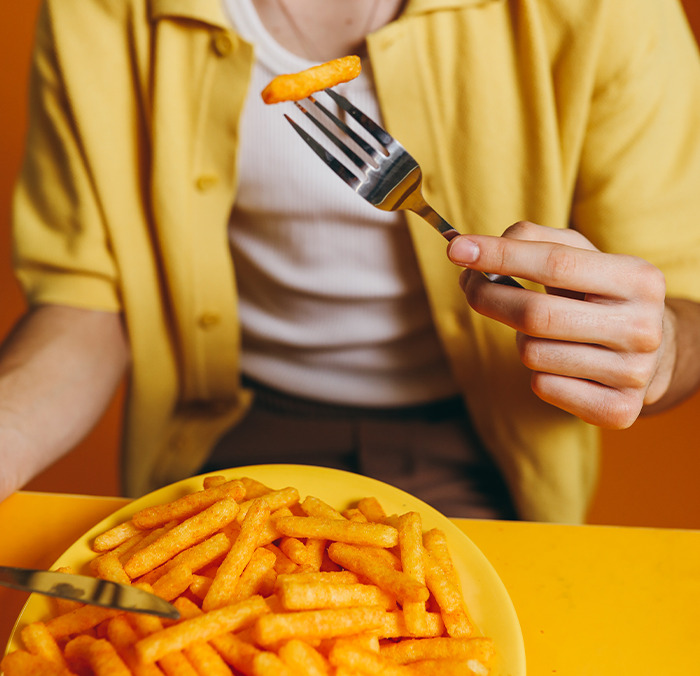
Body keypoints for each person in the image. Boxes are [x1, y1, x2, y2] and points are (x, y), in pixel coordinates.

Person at [2, 0, 700, 522]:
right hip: (227, 434)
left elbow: (686, 308)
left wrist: (658, 349)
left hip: (478, 448)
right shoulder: (97, 11)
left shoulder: (611, 12)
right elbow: (87, 296)